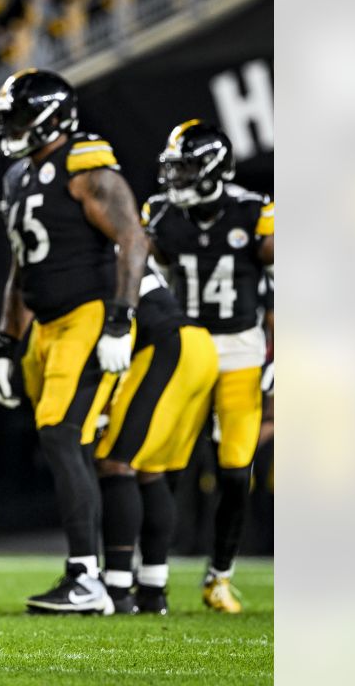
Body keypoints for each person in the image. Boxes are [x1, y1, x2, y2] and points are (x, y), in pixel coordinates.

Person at [0, 69, 147, 614]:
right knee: (62, 442)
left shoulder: (83, 161)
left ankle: (88, 577)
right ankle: (101, 579)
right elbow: (20, 265)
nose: (9, 127)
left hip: (86, 315)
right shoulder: (15, 178)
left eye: (18, 117)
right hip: (45, 324)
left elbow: (131, 237)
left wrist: (121, 319)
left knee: (60, 435)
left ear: (53, 117)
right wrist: (7, 342)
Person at [143, 119, 274, 613]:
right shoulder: (159, 215)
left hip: (240, 351)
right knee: (162, 464)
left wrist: (279, 354)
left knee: (236, 471)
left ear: (215, 168)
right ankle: (150, 575)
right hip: (185, 350)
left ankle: (219, 575)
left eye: (187, 168)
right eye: (173, 168)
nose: (176, 178)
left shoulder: (254, 212)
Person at [93, 260, 219, 614]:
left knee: (116, 463)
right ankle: (153, 587)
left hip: (165, 347)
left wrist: (101, 405)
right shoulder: (124, 251)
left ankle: (117, 588)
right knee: (151, 468)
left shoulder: (96, 252)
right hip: (196, 346)